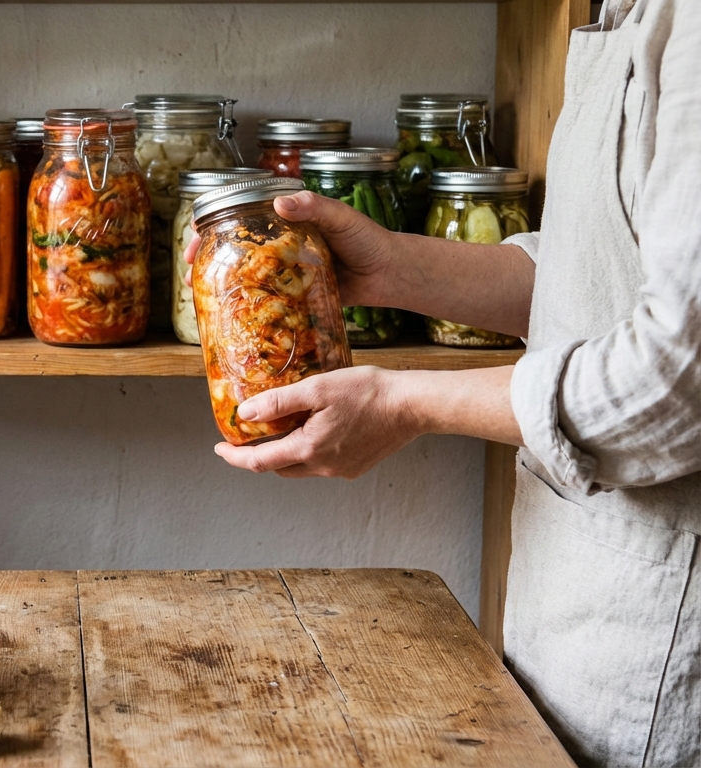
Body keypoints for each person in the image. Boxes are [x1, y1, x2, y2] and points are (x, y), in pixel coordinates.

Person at [189, 0, 700, 764]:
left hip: (664, 642)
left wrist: (408, 402)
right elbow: (598, 281)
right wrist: (398, 265)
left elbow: (676, 381)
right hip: (576, 604)